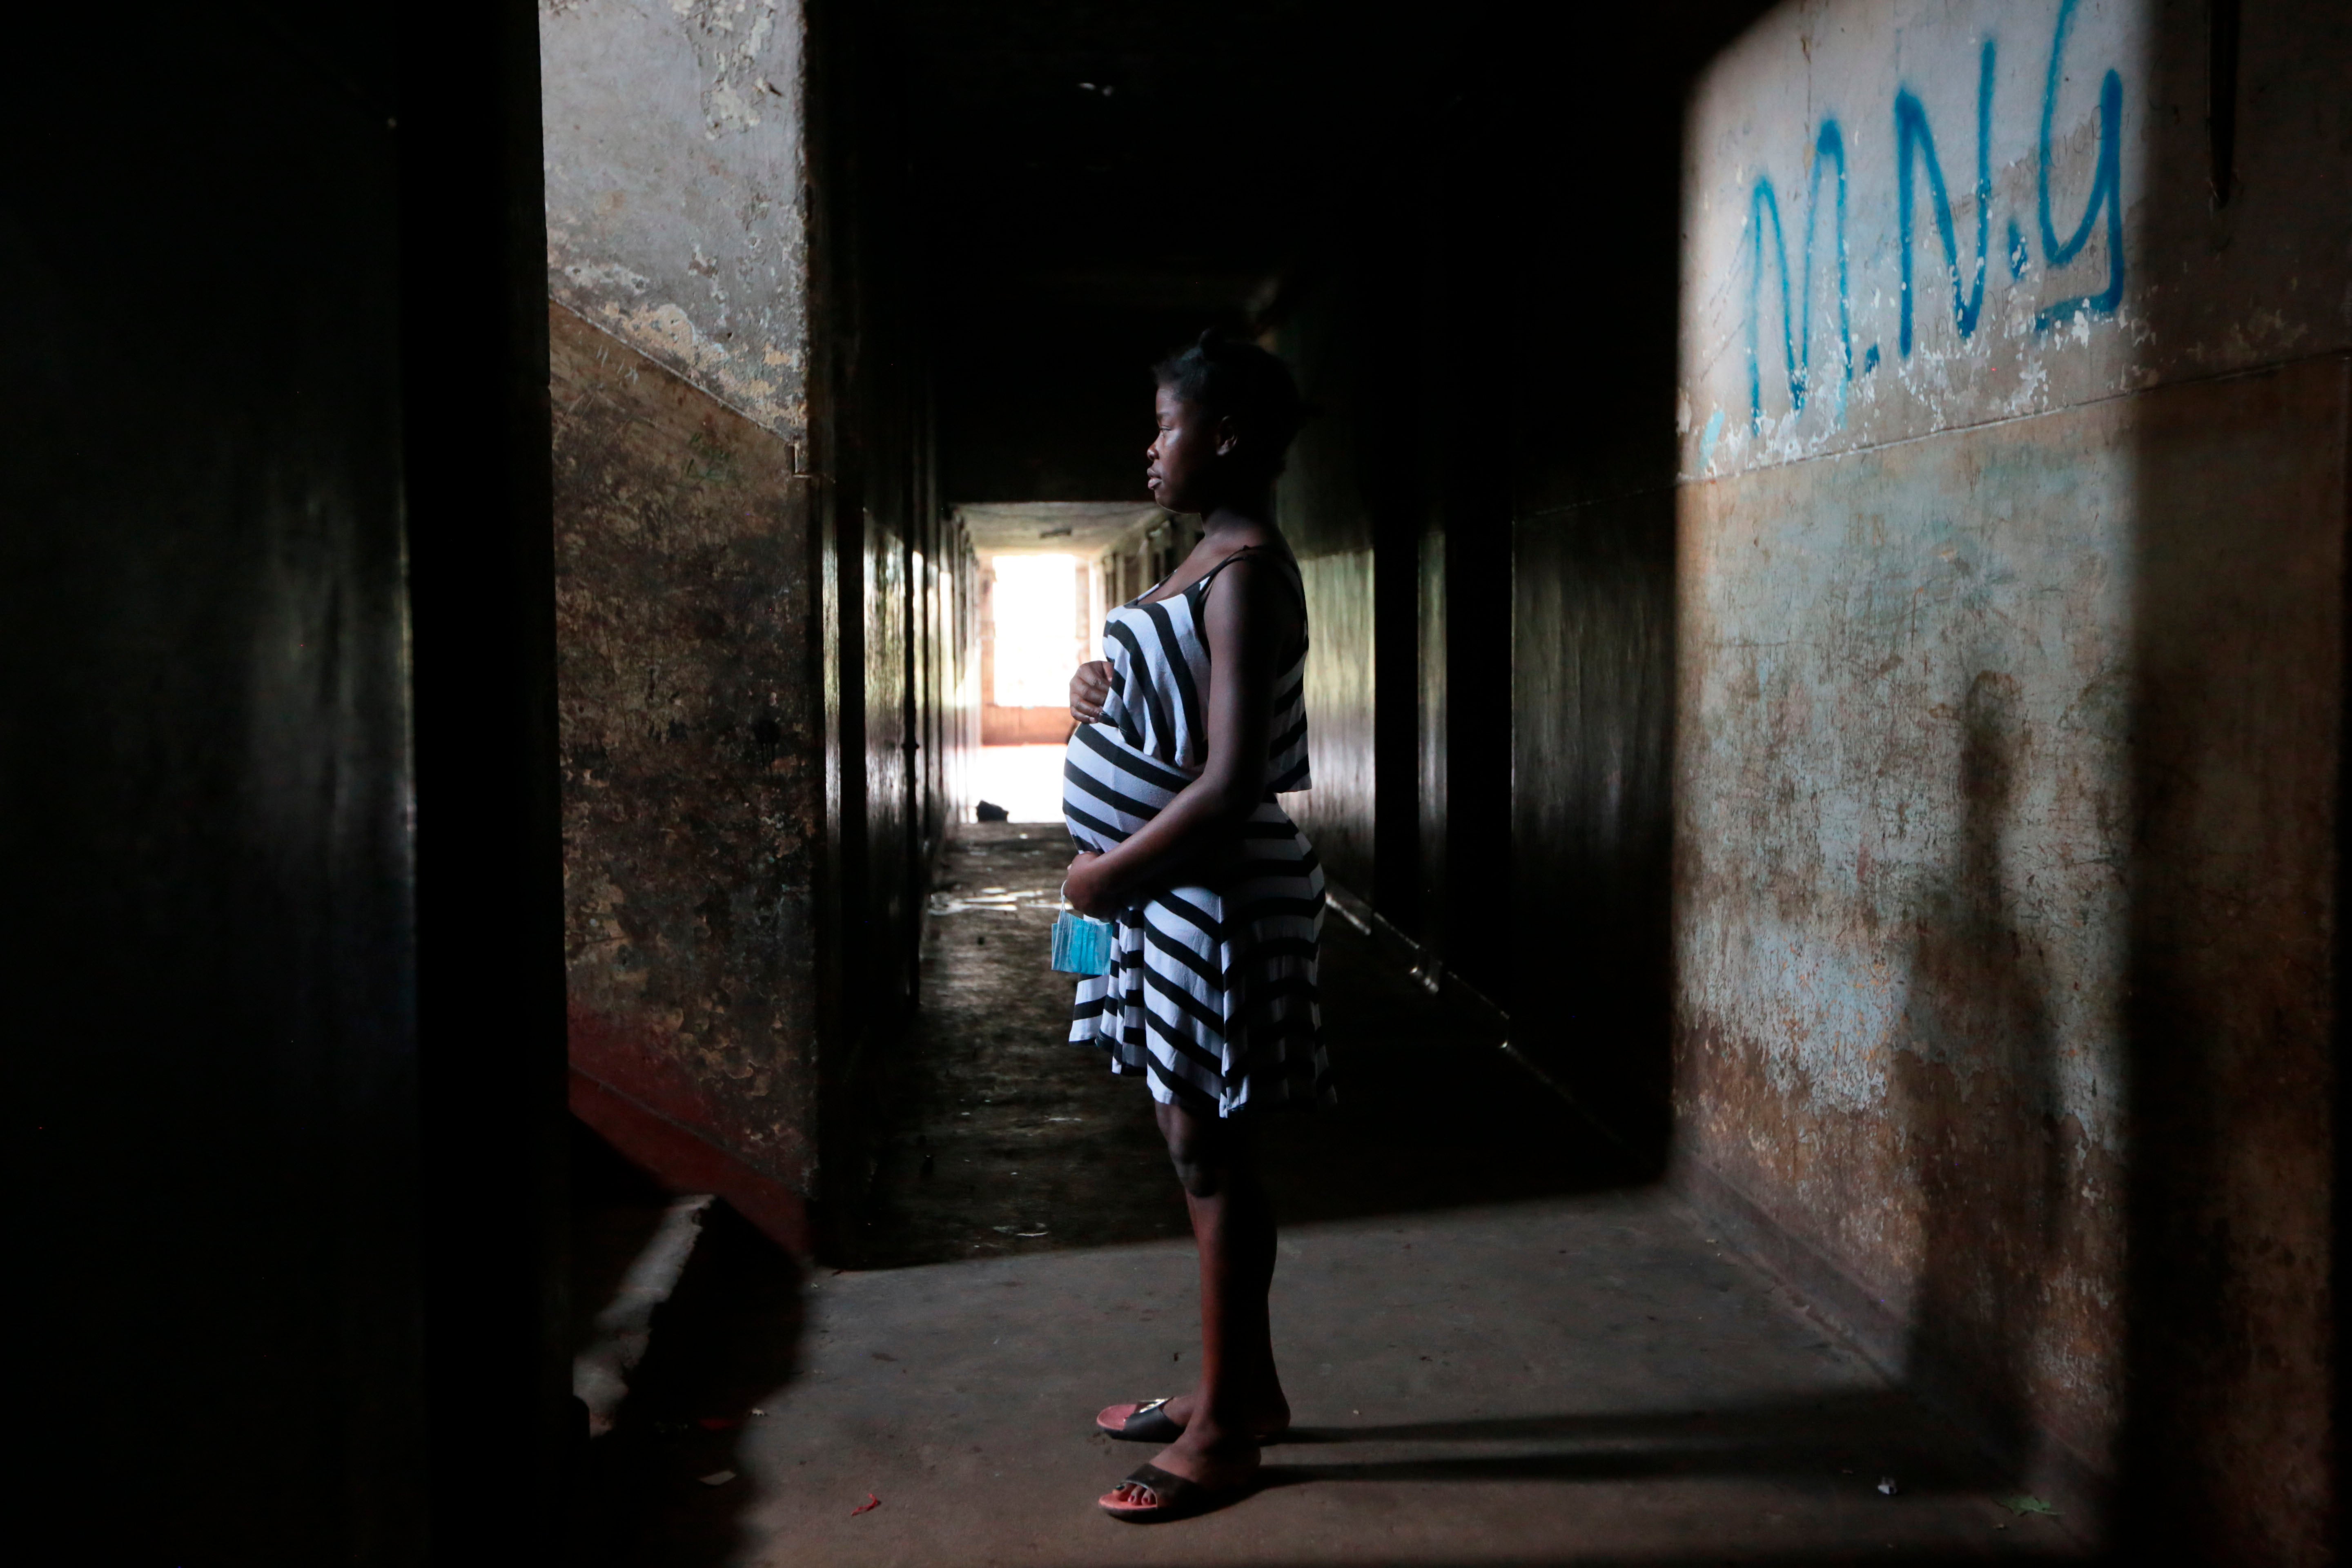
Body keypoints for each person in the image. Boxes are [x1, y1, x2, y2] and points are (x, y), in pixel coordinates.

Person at [1060, 331, 1330, 1522]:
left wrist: (1104, 876)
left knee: (1209, 1152)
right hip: (1166, 897)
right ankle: (1246, 1390)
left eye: (1165, 425)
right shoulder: (1202, 564)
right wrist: (1098, 689)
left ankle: (1225, 1433)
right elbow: (1173, 716)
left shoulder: (1249, 572)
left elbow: (1228, 784)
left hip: (1205, 893)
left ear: (1222, 436)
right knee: (1196, 1148)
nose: (1150, 447)